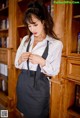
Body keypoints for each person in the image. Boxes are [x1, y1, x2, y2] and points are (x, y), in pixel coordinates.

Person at [14, 0, 63, 118]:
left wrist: (42, 61)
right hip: (23, 84)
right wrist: (20, 59)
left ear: (44, 21)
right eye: (29, 25)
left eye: (35, 24)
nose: (32, 29)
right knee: (23, 114)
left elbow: (54, 71)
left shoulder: (55, 44)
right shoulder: (26, 39)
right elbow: (16, 64)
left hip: (39, 88)